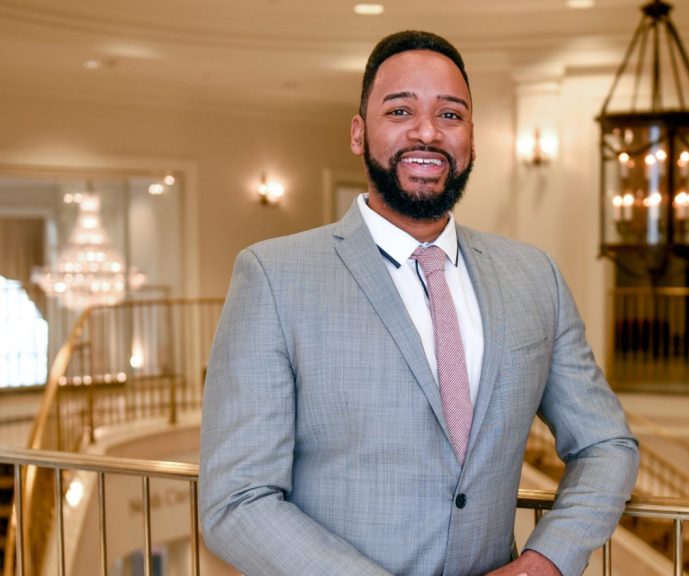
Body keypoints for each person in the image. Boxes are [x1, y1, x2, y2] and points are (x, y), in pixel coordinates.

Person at [199, 30, 639, 576]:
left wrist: (546, 561)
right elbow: (236, 503)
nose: (427, 132)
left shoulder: (534, 276)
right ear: (360, 133)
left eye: (450, 115)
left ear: (472, 139)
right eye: (400, 110)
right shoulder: (273, 277)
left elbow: (606, 443)